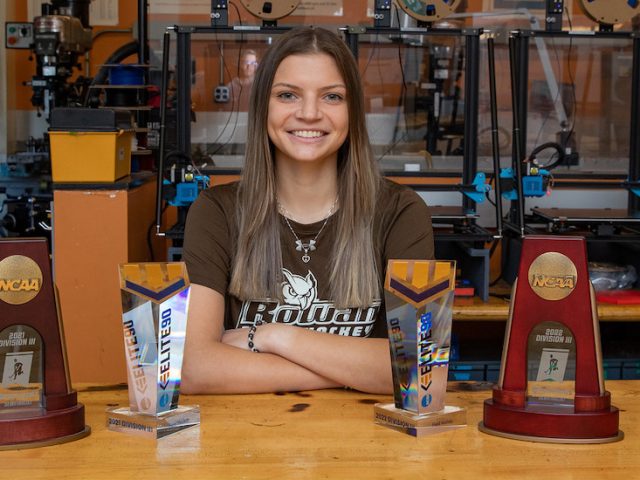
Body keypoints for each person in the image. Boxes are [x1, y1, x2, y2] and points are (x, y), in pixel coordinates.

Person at [181, 26, 434, 395]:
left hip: (371, 445)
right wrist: (363, 371)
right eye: (288, 95)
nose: (310, 113)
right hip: (247, 442)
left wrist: (272, 337)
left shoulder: (401, 213)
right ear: (262, 106)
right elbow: (194, 368)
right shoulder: (216, 214)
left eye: (332, 96)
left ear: (353, 111)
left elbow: (421, 366)